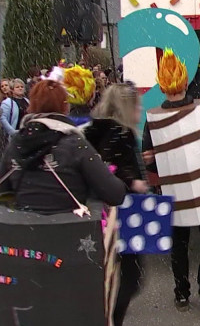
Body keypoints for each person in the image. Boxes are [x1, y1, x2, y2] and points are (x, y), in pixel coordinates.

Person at [142, 50, 200, 314]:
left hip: (174, 193)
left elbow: (150, 162)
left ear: (162, 84)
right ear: (185, 82)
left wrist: (155, 161)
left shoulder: (153, 119)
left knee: (180, 242)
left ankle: (182, 293)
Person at [0, 79, 126, 215]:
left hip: (24, 231)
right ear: (65, 107)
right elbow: (115, 194)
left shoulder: (17, 143)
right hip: (68, 230)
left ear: (32, 105)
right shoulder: (74, 144)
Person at [84, 83, 150, 326]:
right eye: (138, 106)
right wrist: (134, 182)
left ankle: (108, 315)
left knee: (109, 272)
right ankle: (113, 318)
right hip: (124, 213)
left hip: (100, 214)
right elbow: (113, 171)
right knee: (132, 277)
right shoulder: (122, 133)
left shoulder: (93, 131)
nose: (140, 111)